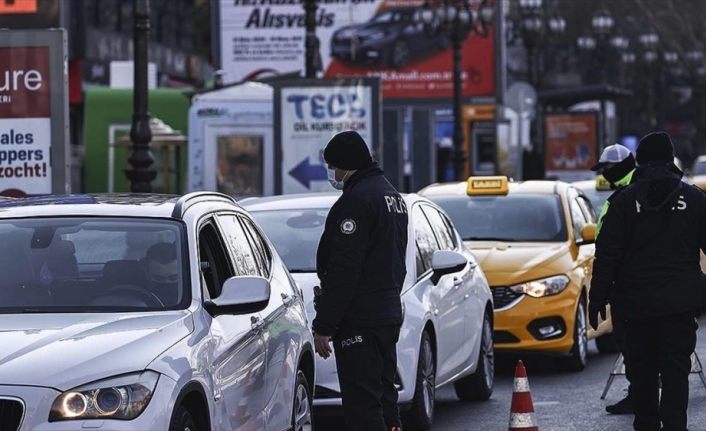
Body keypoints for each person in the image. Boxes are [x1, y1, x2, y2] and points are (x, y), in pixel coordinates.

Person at [589, 131, 706, 431]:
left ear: (639, 160)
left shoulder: (623, 202)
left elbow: (607, 255)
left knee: (642, 377)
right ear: (670, 159)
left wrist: (597, 298)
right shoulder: (693, 199)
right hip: (679, 307)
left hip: (634, 308)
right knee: (675, 376)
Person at [312, 130, 408, 431]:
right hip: (387, 311)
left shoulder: (356, 202)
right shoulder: (393, 196)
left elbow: (344, 270)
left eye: (333, 166)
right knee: (385, 397)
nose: (332, 172)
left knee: (363, 406)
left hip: (361, 319)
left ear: (347, 164)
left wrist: (324, 326)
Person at [590, 143, 637, 415]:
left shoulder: (626, 197)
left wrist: (599, 295)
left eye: (607, 169)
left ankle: (642, 398)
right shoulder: (627, 192)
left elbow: (608, 252)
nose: (604, 175)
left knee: (633, 344)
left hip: (630, 286)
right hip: (649, 284)